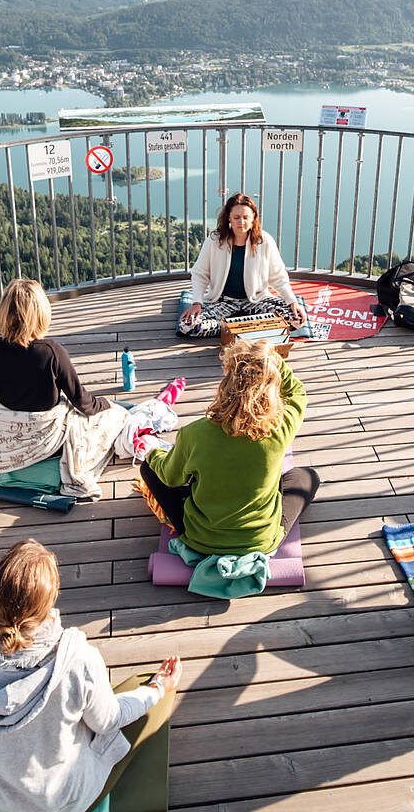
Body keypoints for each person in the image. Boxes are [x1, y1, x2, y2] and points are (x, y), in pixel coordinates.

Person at [0, 540, 180, 812]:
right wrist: (157, 688)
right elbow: (108, 721)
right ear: (50, 600)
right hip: (65, 799)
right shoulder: (78, 660)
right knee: (140, 695)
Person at [138, 339, 319, 555]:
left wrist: (155, 454)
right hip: (260, 542)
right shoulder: (280, 427)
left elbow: (170, 478)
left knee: (149, 468)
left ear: (227, 383)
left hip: (200, 539)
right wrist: (272, 360)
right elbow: (297, 393)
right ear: (271, 384)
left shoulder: (194, 433)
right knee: (307, 477)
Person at [0, 278, 132, 499]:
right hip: (46, 437)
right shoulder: (51, 352)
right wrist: (107, 404)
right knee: (118, 416)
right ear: (41, 313)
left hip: (10, 435)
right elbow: (83, 403)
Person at [179, 192, 308, 337]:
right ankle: (250, 327)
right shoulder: (214, 241)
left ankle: (230, 328)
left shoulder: (265, 241)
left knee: (295, 319)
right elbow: (199, 274)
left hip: (256, 300)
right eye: (236, 217)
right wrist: (197, 303)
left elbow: (278, 276)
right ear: (229, 218)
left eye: (246, 217)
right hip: (223, 302)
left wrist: (292, 301)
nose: (241, 222)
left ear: (253, 218)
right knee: (187, 326)